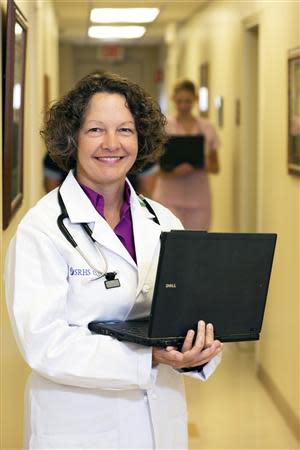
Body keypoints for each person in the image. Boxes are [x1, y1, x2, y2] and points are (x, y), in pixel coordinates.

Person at [4, 72, 222, 450]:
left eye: (125, 130)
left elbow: (188, 313)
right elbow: (45, 344)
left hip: (160, 422)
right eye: (95, 130)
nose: (112, 144)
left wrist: (195, 353)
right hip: (78, 427)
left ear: (141, 138)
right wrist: (147, 358)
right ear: (72, 138)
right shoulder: (40, 230)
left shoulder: (164, 222)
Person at [152, 79, 220, 230]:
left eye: (188, 101)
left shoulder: (206, 127)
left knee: (196, 246)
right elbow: (155, 165)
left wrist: (200, 164)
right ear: (173, 99)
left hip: (198, 200)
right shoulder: (164, 128)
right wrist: (173, 172)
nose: (183, 106)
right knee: (171, 246)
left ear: (195, 99)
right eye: (180, 101)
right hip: (168, 198)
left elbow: (216, 167)